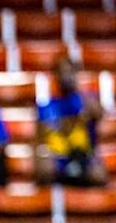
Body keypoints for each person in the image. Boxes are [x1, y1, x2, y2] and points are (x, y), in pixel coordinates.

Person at [36, 56, 106, 187]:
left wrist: (81, 97)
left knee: (98, 174)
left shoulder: (86, 101)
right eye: (62, 72)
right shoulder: (46, 107)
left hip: (83, 156)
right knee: (44, 167)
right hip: (58, 158)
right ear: (55, 75)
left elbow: (98, 113)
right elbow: (38, 140)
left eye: (70, 72)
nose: (65, 76)